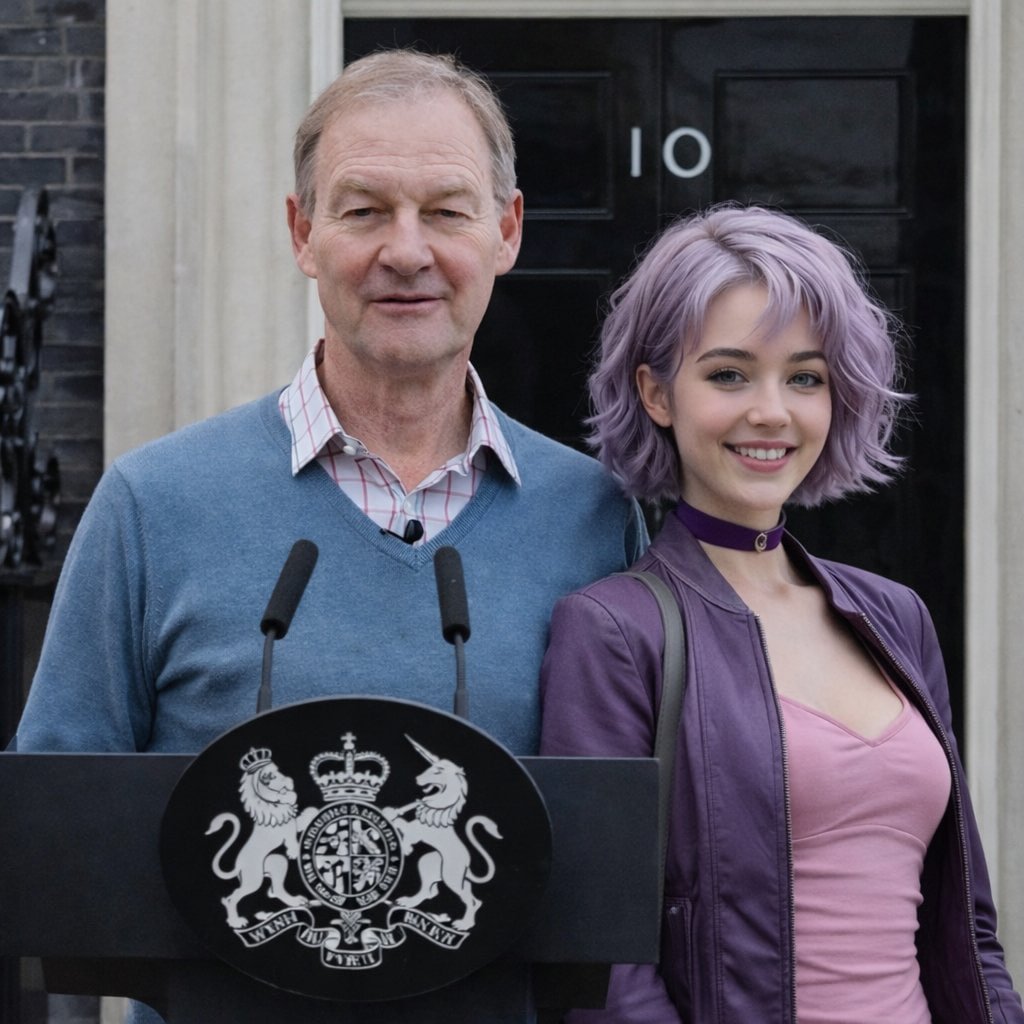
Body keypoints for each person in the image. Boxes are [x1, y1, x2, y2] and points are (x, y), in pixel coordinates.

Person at [14, 49, 645, 1024]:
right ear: (302, 232)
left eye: (446, 210)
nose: (406, 251)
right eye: (364, 210)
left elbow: (631, 870)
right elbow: (56, 848)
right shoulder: (150, 506)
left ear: (507, 230)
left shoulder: (595, 520)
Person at [539, 204, 1024, 1023]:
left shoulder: (895, 617)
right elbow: (605, 971)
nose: (772, 412)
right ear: (657, 393)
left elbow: (967, 926)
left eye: (805, 377)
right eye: (729, 375)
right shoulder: (615, 631)